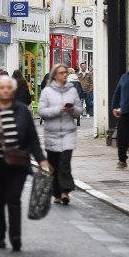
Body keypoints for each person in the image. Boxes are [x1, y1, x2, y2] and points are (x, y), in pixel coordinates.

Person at [0, 75, 48, 251]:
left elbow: (32, 139)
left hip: (17, 164)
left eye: (9, 87)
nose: (6, 90)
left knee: (14, 199)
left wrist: (41, 159)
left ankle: (15, 236)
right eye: (2, 87)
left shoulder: (22, 111)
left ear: (12, 90)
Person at [38, 65, 81, 205]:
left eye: (66, 73)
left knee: (65, 162)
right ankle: (56, 193)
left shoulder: (72, 91)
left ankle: (65, 192)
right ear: (55, 75)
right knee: (54, 165)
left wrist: (73, 109)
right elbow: (42, 111)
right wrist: (58, 110)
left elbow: (79, 111)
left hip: (68, 133)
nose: (65, 75)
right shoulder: (47, 92)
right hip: (52, 133)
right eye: (62, 73)